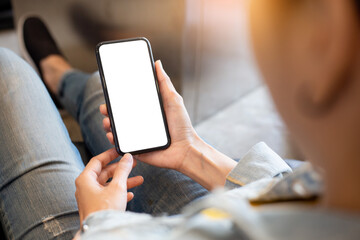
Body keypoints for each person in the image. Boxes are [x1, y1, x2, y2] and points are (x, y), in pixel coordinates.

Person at [0, 0, 359, 239]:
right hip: (231, 209)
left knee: (8, 73)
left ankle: (58, 76)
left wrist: (99, 221)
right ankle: (61, 76)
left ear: (326, 34)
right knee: (101, 90)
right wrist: (192, 152)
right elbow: (289, 190)